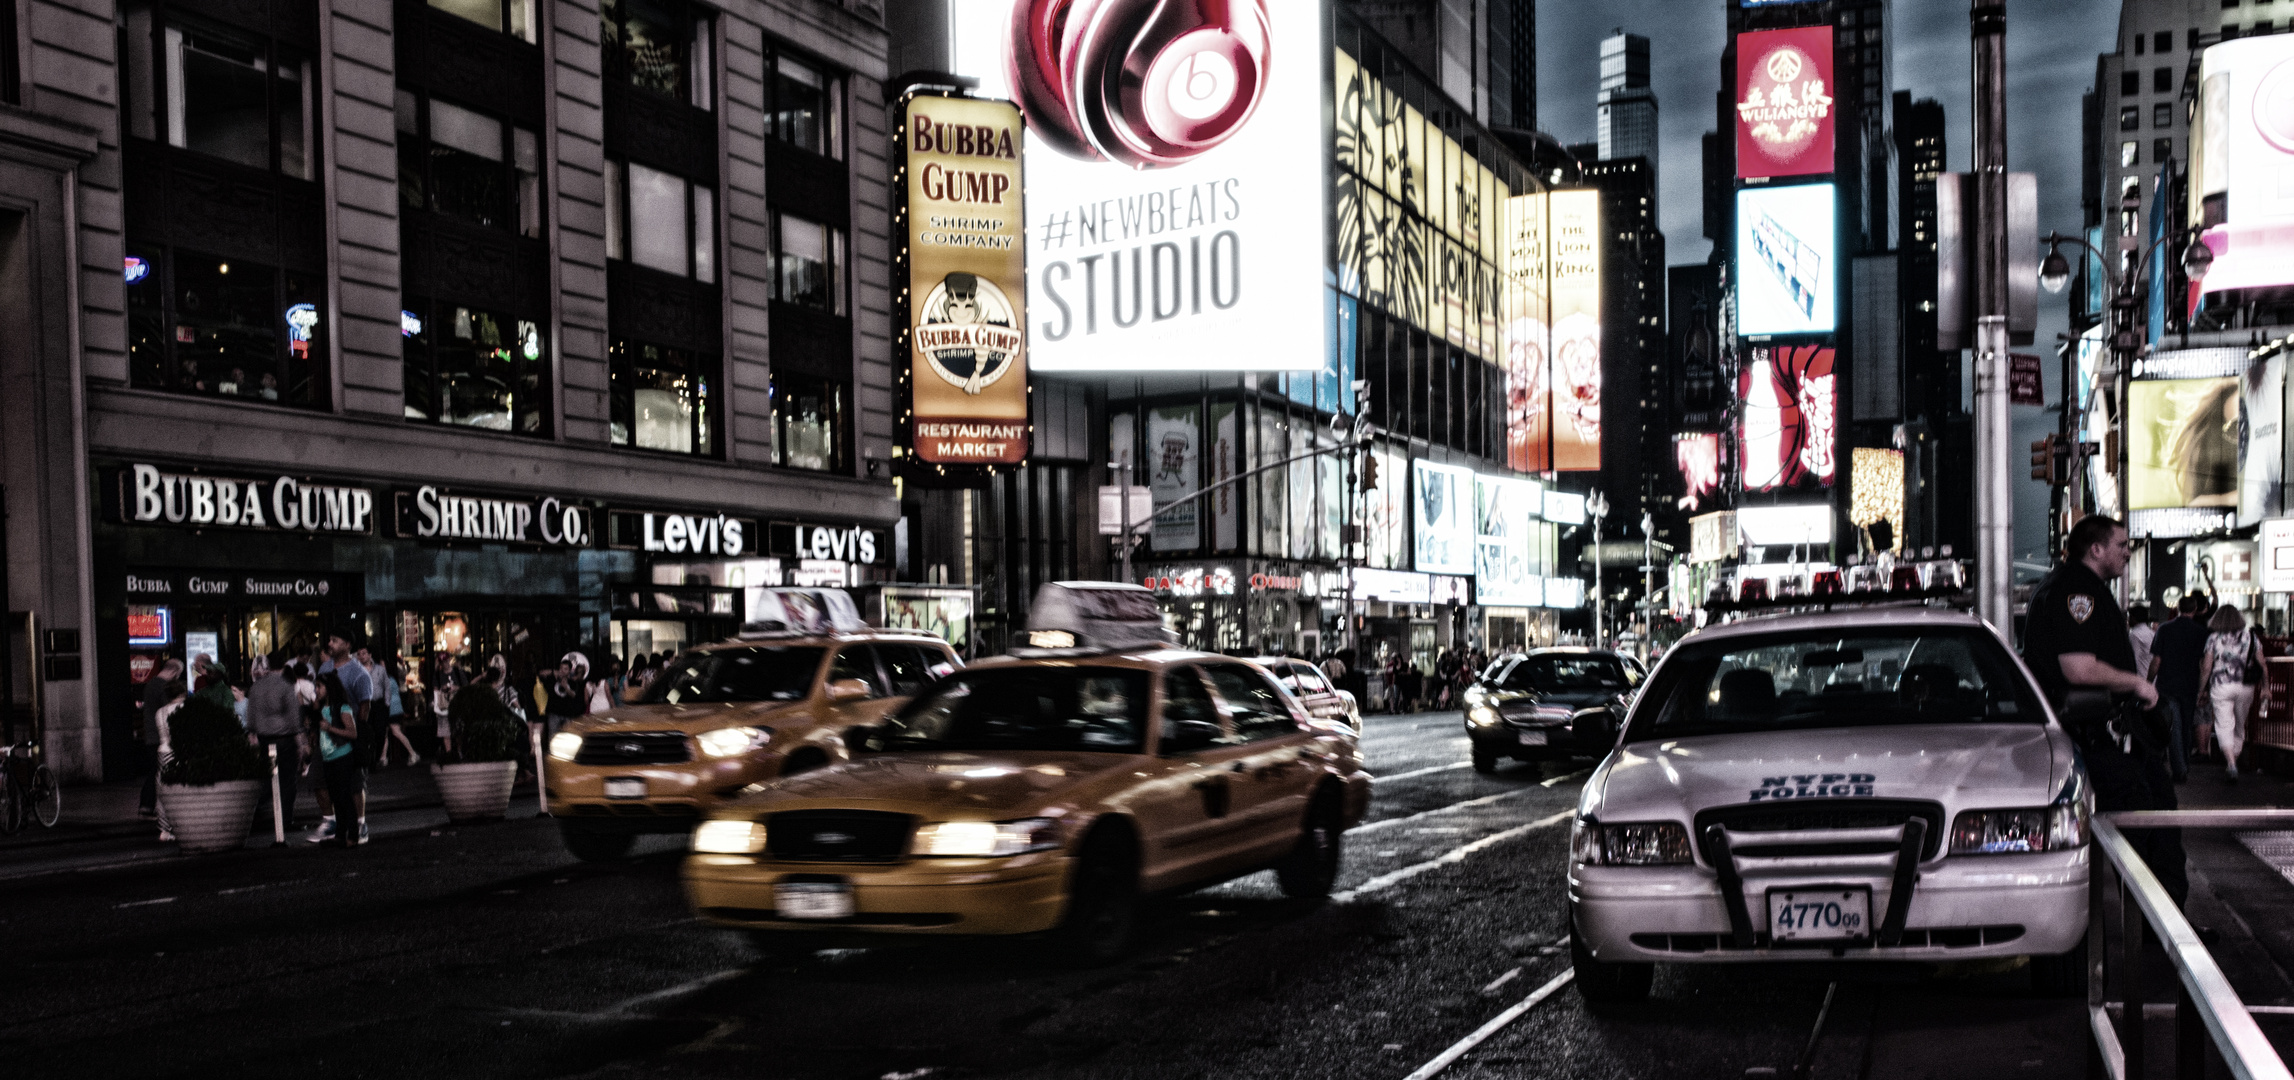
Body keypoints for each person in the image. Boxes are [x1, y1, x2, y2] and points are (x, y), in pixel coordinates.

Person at [2023, 514, 2186, 908]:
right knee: (2145, 832)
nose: (2128, 552)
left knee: (2157, 823)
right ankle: (2161, 929)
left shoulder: (2077, 587)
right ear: (2096, 549)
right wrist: (2138, 684)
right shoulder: (2077, 591)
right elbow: (2077, 667)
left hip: (2103, 737)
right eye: (2122, 545)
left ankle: (2163, 924)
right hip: (2099, 739)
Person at [311, 634, 373, 844]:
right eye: (329, 640)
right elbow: (319, 705)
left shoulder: (358, 673)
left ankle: (358, 825)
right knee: (323, 783)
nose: (330, 644)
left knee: (351, 787)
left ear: (347, 644)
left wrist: (356, 734)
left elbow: (364, 706)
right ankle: (334, 824)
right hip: (327, 745)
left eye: (336, 640)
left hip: (345, 745)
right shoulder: (325, 668)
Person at [2198, 603, 2264, 781]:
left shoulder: (2213, 638)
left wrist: (2201, 689)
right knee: (2239, 726)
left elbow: (2206, 667)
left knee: (2224, 724)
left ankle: (2231, 763)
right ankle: (2233, 757)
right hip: (2245, 686)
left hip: (2221, 686)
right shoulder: (2251, 637)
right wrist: (2266, 687)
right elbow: (2262, 664)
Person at [244, 650, 306, 831]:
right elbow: (294, 718)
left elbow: (251, 716)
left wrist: (253, 734)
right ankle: (285, 820)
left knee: (267, 779)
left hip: (264, 740)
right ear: (285, 664)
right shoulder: (285, 686)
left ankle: (253, 816)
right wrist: (301, 743)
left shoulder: (256, 687)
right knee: (287, 781)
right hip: (284, 740)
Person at [2151, 594, 2210, 781]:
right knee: (2186, 726)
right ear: (2195, 610)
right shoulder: (2202, 632)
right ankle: (2184, 763)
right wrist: (2203, 687)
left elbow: (2156, 660)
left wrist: (2147, 681)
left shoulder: (2164, 629)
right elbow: (2204, 663)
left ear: (2177, 608)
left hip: (2167, 685)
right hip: (2190, 685)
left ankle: (2180, 768)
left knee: (2174, 726)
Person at [137, 658, 185, 818]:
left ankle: (146, 805)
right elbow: (170, 711)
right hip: (161, 737)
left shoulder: (150, 684)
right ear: (173, 671)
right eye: (178, 675)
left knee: (154, 771)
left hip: (150, 735)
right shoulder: (164, 688)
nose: (177, 678)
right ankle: (153, 806)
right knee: (159, 772)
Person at [2127, 604, 2157, 686]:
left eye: (2129, 617)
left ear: (2134, 618)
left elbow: (2134, 660)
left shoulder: (2134, 635)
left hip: (2141, 680)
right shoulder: (2152, 633)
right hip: (2153, 679)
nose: (2128, 620)